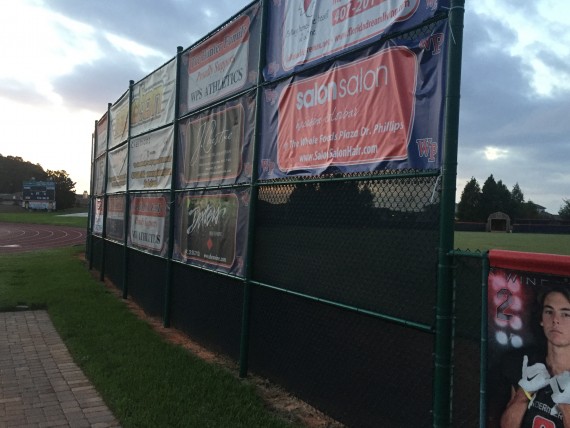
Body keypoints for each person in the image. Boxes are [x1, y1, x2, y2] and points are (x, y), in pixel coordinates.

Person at [501, 286, 570, 427]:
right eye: (549, 312)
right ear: (541, 319)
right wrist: (523, 394)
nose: (555, 320)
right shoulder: (527, 363)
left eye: (566, 314)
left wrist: (566, 405)